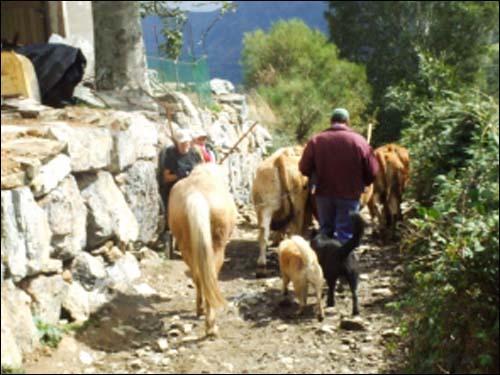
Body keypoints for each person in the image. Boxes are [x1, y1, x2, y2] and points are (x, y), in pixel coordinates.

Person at [299, 108, 379, 243]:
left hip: (323, 194)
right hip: (350, 194)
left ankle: (325, 261)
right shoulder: (359, 141)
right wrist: (363, 183)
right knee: (346, 232)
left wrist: (315, 176)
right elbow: (372, 171)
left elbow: (304, 167)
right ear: (347, 122)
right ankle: (343, 261)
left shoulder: (316, 140)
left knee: (325, 230)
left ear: (331, 121)